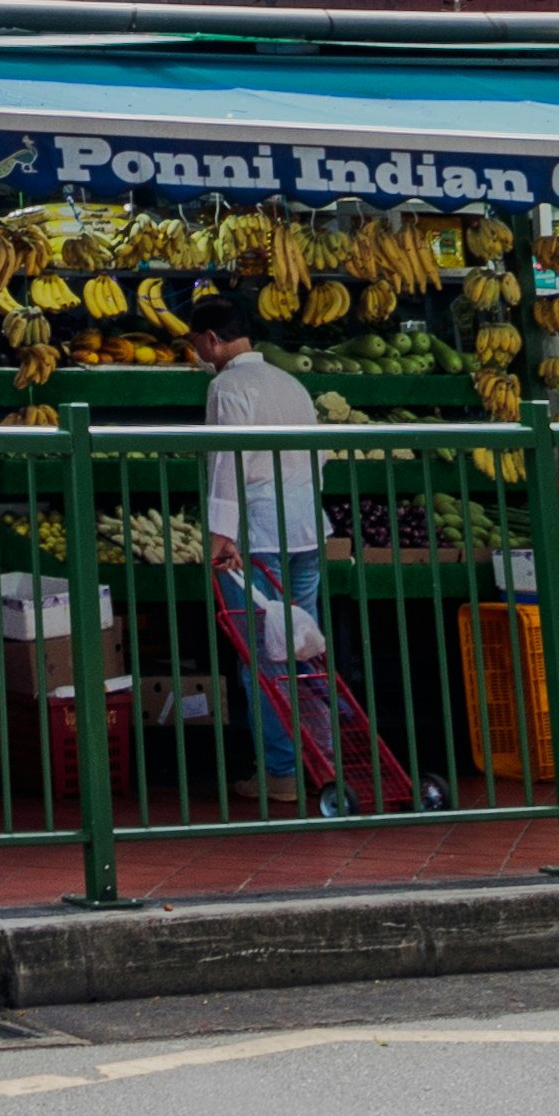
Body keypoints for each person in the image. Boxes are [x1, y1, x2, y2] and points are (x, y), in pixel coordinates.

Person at [191, 280, 333, 800]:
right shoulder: (289, 383)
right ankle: (323, 758)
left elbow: (227, 459)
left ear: (210, 340)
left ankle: (281, 772)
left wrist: (220, 533)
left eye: (195, 344)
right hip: (305, 530)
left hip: (257, 533)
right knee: (302, 647)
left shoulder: (227, 388)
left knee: (262, 657)